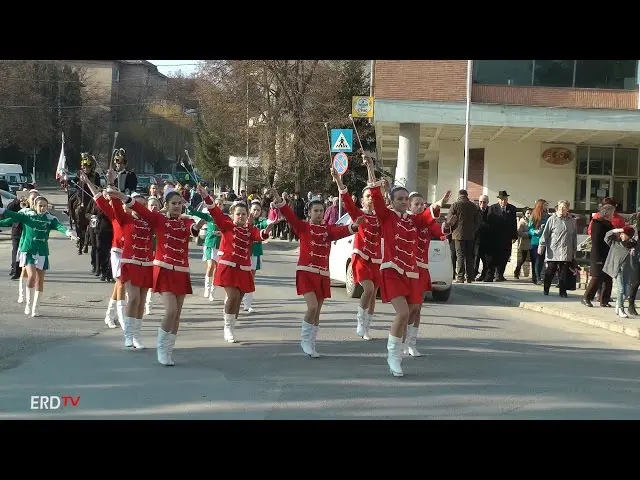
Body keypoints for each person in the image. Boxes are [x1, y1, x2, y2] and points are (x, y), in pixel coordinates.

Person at [362, 156, 449, 377]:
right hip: (391, 271)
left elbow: (427, 217)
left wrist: (439, 204)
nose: (402, 201)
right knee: (402, 313)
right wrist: (371, 169)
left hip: (411, 273)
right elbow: (376, 196)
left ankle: (399, 353)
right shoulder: (386, 216)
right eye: (399, 199)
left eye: (404, 198)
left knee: (410, 312)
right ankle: (393, 356)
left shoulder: (412, 220)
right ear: (392, 202)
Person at [107, 185, 206, 366]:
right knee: (171, 310)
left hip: (181, 271)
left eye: (179, 203)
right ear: (166, 205)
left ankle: (168, 350)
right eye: (173, 203)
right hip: (163, 270)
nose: (177, 206)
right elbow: (138, 208)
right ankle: (160, 347)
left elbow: (192, 229)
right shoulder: (158, 219)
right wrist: (121, 195)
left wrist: (198, 224)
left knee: (177, 315)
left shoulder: (185, 221)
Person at [269, 185, 364, 358]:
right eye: (316, 211)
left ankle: (312, 343)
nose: (319, 214)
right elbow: (290, 216)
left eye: (321, 210)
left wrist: (355, 227)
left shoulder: (328, 230)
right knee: (312, 307)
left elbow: (342, 230)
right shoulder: (303, 227)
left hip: (322, 274)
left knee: (318, 311)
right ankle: (305, 340)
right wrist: (279, 200)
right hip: (306, 272)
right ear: (309, 212)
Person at [196, 185, 277, 343]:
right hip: (227, 267)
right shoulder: (227, 226)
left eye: (243, 214)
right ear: (232, 215)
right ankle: (227, 327)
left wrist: (267, 230)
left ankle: (231, 325)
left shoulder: (249, 230)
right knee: (232, 296)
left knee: (238, 299)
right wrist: (207, 197)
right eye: (238, 214)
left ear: (247, 216)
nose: (240, 217)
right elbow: (215, 212)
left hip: (243, 269)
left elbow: (259, 235)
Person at [0, 196, 78, 317]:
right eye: (40, 206)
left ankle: (35, 308)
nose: (42, 208)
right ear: (35, 206)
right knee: (31, 276)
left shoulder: (50, 219)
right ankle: (28, 304)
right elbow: (13, 216)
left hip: (42, 252)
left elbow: (60, 226)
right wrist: (2, 210)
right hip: (29, 250)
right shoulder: (27, 215)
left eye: (44, 206)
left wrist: (68, 233)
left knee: (40, 280)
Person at [332, 168, 382, 341]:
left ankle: (367, 327)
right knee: (367, 289)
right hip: (361, 256)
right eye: (367, 197)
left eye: (372, 196)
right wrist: (339, 182)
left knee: (374, 294)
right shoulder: (358, 213)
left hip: (376, 258)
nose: (370, 199)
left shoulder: (381, 216)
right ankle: (360, 321)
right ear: (362, 200)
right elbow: (347, 202)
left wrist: (370, 168)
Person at [407, 191, 446, 357]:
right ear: (409, 206)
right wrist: (436, 205)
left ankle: (412, 342)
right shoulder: (408, 220)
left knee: (418, 308)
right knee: (411, 307)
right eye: (416, 204)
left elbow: (438, 229)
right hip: (409, 269)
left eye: (422, 204)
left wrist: (445, 230)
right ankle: (402, 340)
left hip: (423, 269)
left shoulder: (426, 222)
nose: (420, 207)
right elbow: (421, 219)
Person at [538, 200, 578, 297]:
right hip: (554, 250)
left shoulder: (572, 221)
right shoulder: (552, 219)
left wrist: (574, 250)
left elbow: (574, 236)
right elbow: (545, 234)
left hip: (566, 250)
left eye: (564, 208)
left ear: (567, 209)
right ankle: (546, 288)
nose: (561, 209)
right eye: (560, 207)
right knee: (550, 270)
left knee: (564, 272)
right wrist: (541, 245)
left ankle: (563, 292)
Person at [189, 197, 224, 302]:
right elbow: (195, 212)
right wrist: (186, 204)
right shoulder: (208, 216)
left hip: (219, 246)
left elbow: (230, 230)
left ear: (222, 206)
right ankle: (207, 289)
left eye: (220, 204)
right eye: (216, 203)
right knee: (210, 266)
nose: (217, 205)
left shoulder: (224, 218)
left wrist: (222, 233)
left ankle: (212, 292)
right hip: (209, 244)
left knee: (217, 269)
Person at [603, 226, 638, 318]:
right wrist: (617, 230)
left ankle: (618, 304)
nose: (621, 235)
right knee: (621, 289)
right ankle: (621, 309)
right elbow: (607, 236)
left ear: (629, 236)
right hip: (617, 269)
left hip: (628, 271)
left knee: (626, 292)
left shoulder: (634, 245)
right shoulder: (615, 243)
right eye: (621, 234)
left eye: (624, 234)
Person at [242, 200, 270, 313]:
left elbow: (267, 224)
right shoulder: (243, 221)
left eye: (258, 210)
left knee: (250, 278)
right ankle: (235, 299)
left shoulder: (262, 221)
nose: (256, 212)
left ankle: (247, 304)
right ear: (250, 210)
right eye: (254, 209)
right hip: (243, 253)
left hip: (255, 253)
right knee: (240, 276)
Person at [485, 190, 518, 282]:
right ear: (499, 200)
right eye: (502, 199)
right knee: (493, 257)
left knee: (504, 256)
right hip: (494, 238)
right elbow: (489, 223)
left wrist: (514, 236)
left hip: (506, 237)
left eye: (505, 199)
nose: (504, 201)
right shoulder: (492, 208)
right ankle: (490, 274)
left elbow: (514, 223)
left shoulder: (512, 209)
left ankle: (500, 274)